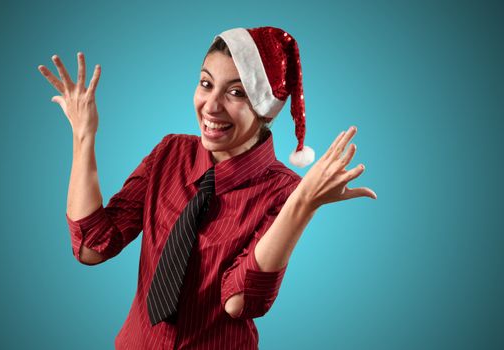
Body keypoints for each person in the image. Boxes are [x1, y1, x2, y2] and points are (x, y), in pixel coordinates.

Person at [38, 26, 377, 349]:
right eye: (205, 83)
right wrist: (83, 135)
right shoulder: (169, 152)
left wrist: (303, 203)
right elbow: (94, 246)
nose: (211, 106)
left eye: (236, 92)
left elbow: (240, 301)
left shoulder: (282, 191)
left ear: (265, 108)